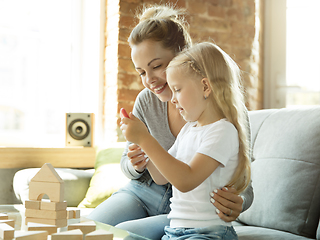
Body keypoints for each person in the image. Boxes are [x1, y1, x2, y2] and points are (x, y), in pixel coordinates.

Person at [87, 5, 253, 240]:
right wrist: (137, 162)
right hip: (143, 193)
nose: (150, 80)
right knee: (86, 229)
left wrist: (240, 202)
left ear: (184, 55)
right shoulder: (149, 102)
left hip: (188, 211)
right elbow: (133, 166)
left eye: (157, 66)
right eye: (141, 72)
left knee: (122, 234)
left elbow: (243, 179)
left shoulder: (227, 114)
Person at [120, 41, 251, 240]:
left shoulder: (222, 131)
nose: (173, 99)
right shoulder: (190, 129)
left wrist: (146, 139)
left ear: (205, 86)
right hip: (175, 230)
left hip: (209, 234)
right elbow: (162, 178)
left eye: (178, 90)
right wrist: (144, 154)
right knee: (123, 237)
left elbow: (185, 180)